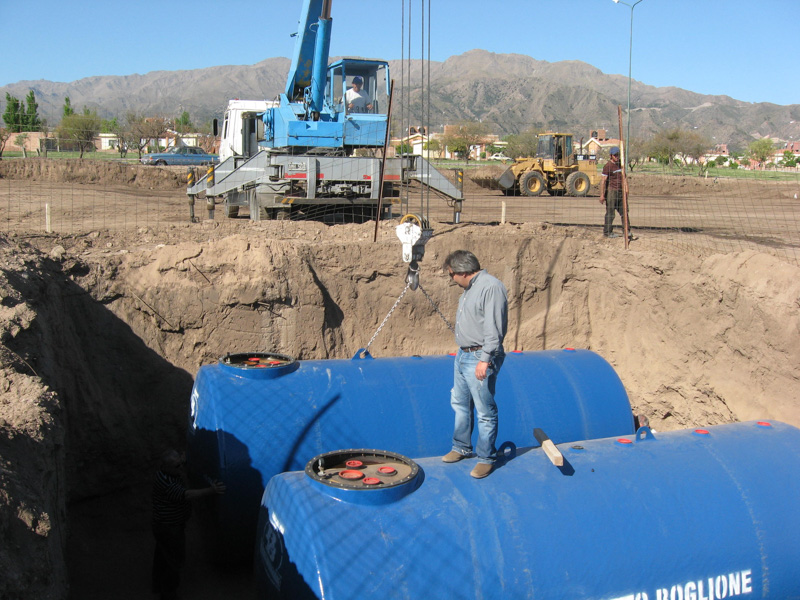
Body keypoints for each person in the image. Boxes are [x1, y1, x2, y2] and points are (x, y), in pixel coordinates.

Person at [441, 250, 508, 479]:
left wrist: (485, 359)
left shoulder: (491, 287)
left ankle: (486, 458)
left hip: (480, 356)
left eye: (451, 275)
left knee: (484, 411)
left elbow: (494, 328)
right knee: (460, 404)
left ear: (462, 272)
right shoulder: (469, 289)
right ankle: (461, 446)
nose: (451, 279)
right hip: (463, 355)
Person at [151, 449, 225, 600]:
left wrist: (184, 459)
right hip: (169, 528)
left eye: (180, 464)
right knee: (174, 561)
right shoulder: (167, 482)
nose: (181, 468)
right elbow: (188, 495)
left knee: (162, 555)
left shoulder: (167, 472)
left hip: (164, 525)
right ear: (166, 467)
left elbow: (179, 461)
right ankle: (168, 594)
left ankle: (157, 584)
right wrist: (212, 490)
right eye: (177, 466)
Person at [600, 146, 635, 240]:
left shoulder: (621, 165)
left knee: (624, 212)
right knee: (610, 213)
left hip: (620, 192)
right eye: (615, 155)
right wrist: (602, 195)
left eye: (618, 155)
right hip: (611, 192)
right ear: (611, 156)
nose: (617, 157)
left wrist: (626, 189)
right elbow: (603, 181)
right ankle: (607, 232)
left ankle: (627, 231)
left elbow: (624, 178)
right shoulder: (608, 166)